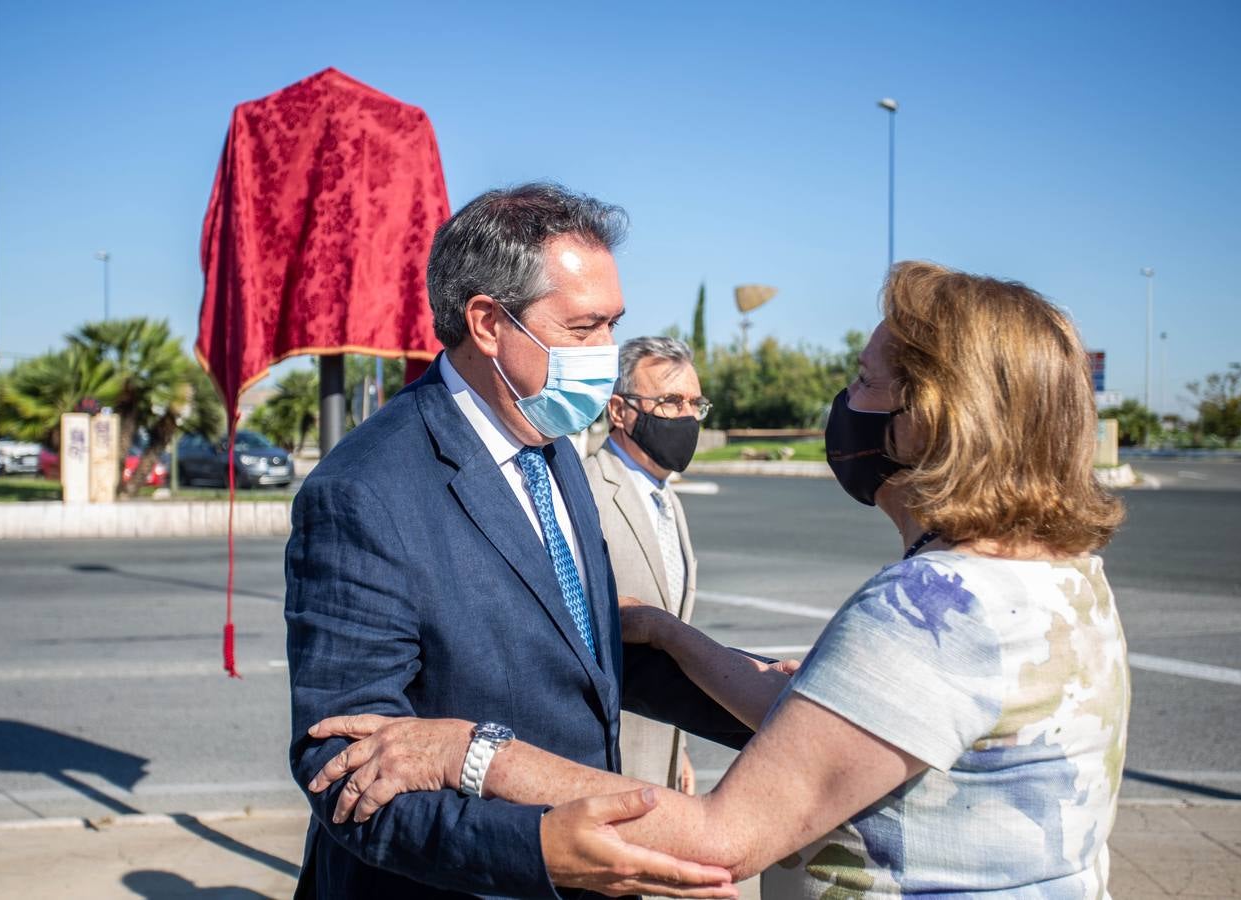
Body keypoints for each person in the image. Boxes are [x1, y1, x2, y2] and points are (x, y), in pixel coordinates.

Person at [307, 261, 1131, 898]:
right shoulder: (1065, 578)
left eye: (868, 382)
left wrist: (468, 750)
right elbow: (831, 730)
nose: (846, 400)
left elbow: (717, 838)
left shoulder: (930, 613)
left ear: (936, 418)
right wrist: (670, 634)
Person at [285, 182, 748, 900]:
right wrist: (536, 849)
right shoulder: (364, 494)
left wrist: (778, 711)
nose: (606, 352)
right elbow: (343, 770)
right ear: (488, 323)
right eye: (583, 328)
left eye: (612, 326)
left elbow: (576, 666)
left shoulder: (550, 441)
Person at [584, 336, 708, 793]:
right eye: (671, 401)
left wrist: (680, 753)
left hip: (663, 758)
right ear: (619, 411)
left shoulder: (667, 498)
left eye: (695, 403)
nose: (687, 416)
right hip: (605, 763)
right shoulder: (587, 491)